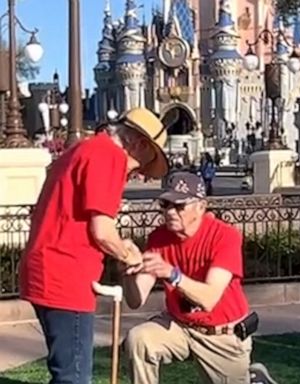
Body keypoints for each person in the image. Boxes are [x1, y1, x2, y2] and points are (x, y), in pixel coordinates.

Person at [18, 107, 169, 384]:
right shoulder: (108, 156)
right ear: (138, 144)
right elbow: (101, 231)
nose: (140, 175)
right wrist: (129, 254)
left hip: (50, 271)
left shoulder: (87, 149)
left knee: (66, 373)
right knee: (74, 378)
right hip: (65, 276)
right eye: (142, 165)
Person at [121, 171, 252, 384]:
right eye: (165, 204)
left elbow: (209, 298)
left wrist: (172, 274)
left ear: (201, 207)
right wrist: (127, 270)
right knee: (139, 339)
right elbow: (136, 301)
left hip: (221, 334)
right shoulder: (159, 237)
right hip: (179, 326)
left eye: (179, 205)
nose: (170, 212)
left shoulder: (225, 236)